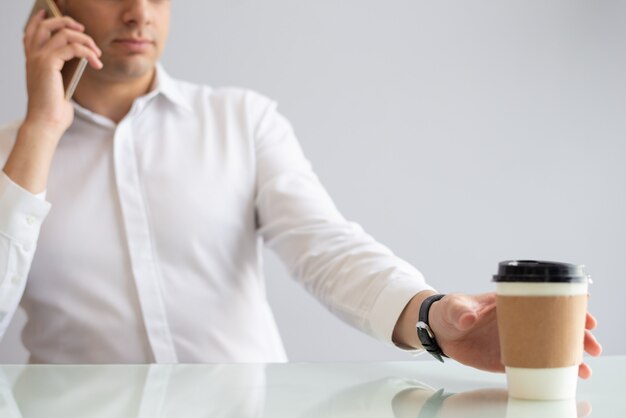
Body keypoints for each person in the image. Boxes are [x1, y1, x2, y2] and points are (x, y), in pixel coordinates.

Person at [0, 1, 601, 371]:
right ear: (53, 10)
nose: (139, 12)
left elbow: (325, 246)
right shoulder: (13, 155)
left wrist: (433, 317)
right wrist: (42, 129)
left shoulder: (242, 120)